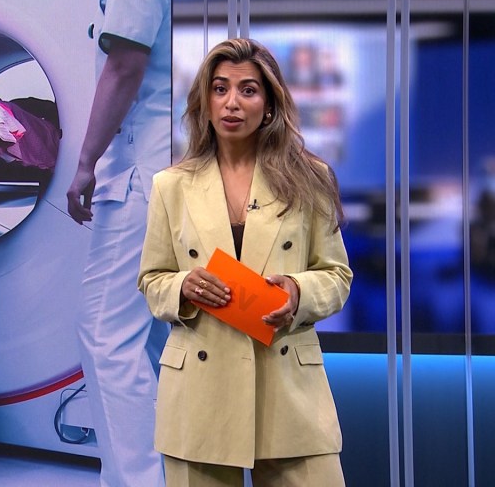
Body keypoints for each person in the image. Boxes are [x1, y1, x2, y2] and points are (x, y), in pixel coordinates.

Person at [138, 38, 353, 487]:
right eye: (220, 89)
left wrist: (298, 292)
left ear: (269, 104)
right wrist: (183, 287)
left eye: (248, 90)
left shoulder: (310, 179)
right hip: (200, 394)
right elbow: (152, 279)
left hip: (288, 387)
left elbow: (337, 275)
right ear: (205, 101)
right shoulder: (170, 186)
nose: (231, 102)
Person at [64, 0, 172, 485]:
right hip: (187, 176)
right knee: (156, 337)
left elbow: (125, 66)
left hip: (140, 176)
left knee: (106, 333)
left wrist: (86, 163)